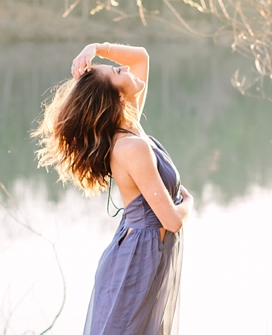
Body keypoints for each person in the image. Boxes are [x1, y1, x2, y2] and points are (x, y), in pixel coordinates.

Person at [34, 42, 193, 335]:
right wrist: (188, 201)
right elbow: (172, 220)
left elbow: (142, 57)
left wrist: (95, 48)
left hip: (148, 251)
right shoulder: (131, 146)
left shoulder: (128, 124)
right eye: (119, 72)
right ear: (116, 94)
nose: (128, 70)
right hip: (137, 258)